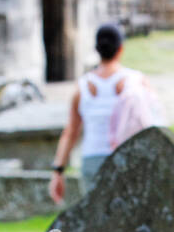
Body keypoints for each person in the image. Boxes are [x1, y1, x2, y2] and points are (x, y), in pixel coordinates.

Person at [49, 23, 145, 206]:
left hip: (91, 160)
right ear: (121, 49)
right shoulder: (136, 81)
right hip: (125, 157)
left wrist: (58, 171)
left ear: (97, 50)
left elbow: (70, 132)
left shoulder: (82, 87)